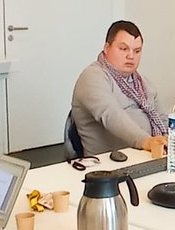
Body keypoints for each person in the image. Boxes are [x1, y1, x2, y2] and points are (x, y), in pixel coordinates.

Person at [70, 20, 168, 157]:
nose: (131, 56)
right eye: (123, 49)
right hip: (109, 167)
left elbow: (162, 118)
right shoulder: (92, 77)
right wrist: (146, 142)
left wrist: (171, 139)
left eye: (137, 51)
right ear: (106, 48)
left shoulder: (143, 82)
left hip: (148, 156)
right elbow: (112, 116)